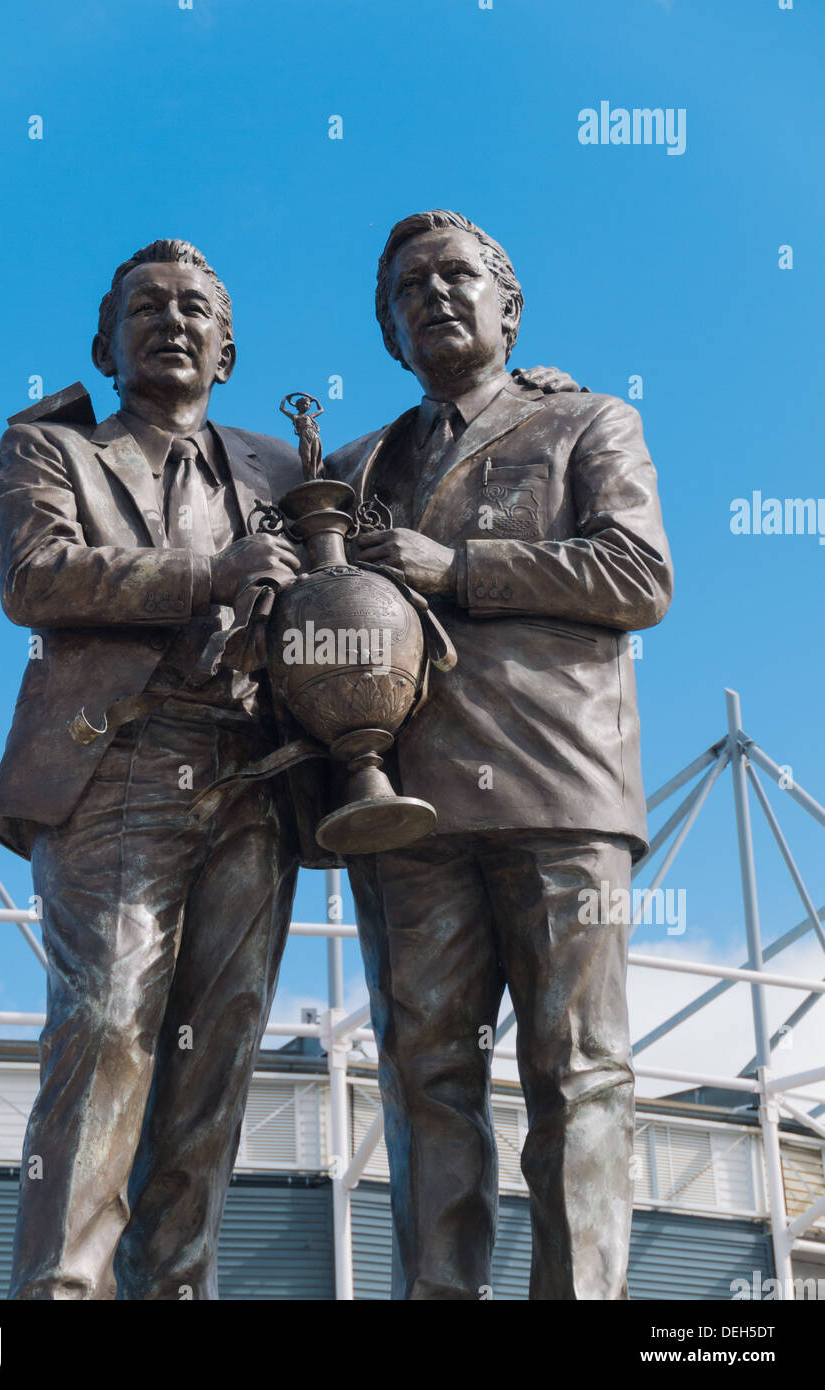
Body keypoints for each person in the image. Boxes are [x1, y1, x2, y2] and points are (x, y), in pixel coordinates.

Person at [324, 209, 673, 1300]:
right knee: (426, 1081)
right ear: (388, 332)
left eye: (456, 275)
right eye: (407, 288)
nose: (433, 295)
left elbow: (637, 577)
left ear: (508, 306)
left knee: (580, 1074)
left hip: (559, 783)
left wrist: (455, 565)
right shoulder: (350, 468)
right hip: (410, 809)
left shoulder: (588, 421)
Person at [0, 239, 311, 1300]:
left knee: (215, 1057)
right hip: (121, 762)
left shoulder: (282, 467)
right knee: (108, 1029)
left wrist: (527, 380)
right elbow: (38, 577)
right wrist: (211, 573)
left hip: (252, 776)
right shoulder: (49, 451)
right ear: (105, 343)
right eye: (147, 308)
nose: (172, 322)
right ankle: (61, 1290)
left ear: (228, 348)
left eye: (194, 309)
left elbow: (407, 477)